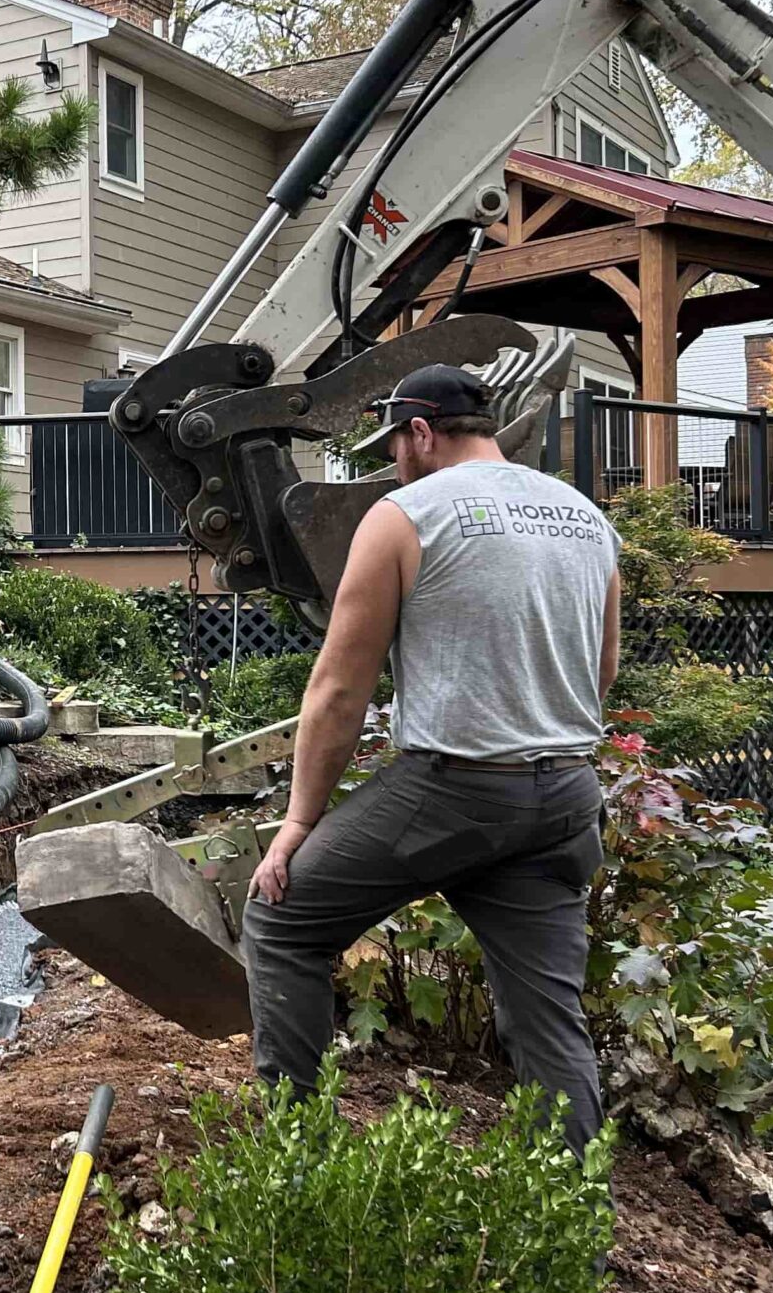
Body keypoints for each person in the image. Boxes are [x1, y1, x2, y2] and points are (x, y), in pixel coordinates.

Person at [241, 362, 621, 1149]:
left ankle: (293, 1169)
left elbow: (340, 691)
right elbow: (602, 671)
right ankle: (571, 1232)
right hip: (565, 799)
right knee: (549, 1025)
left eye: (395, 443)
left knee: (282, 920)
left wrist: (298, 821)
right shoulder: (585, 517)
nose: (392, 460)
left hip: (455, 791)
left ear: (421, 431)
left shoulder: (405, 515)